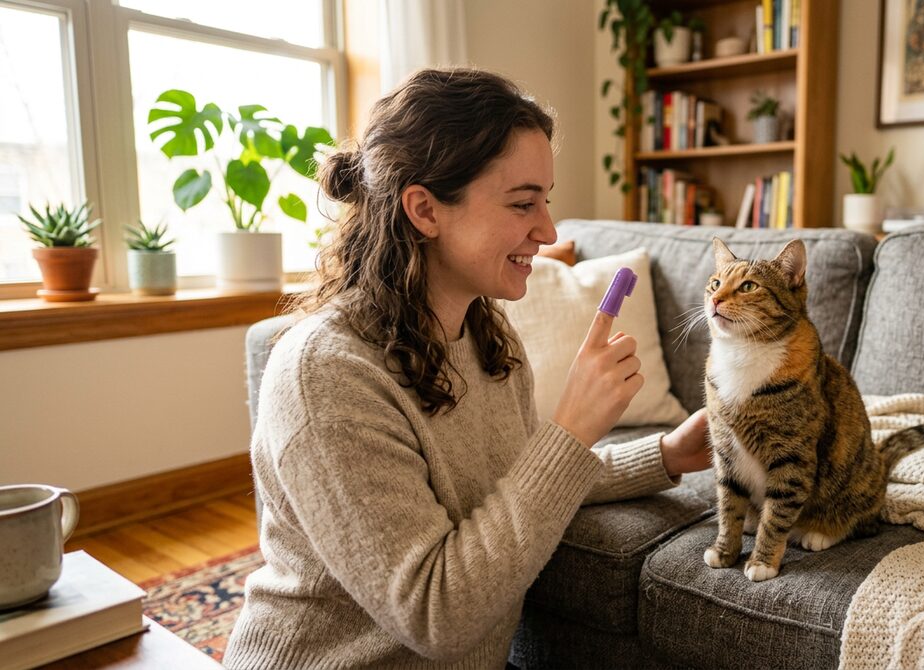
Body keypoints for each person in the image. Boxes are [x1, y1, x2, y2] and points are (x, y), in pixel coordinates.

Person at [223, 67, 711, 669]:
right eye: (522, 203)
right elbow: (436, 614)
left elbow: (524, 476)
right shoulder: (325, 376)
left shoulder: (485, 334)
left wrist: (669, 455)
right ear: (425, 210)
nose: (549, 230)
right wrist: (572, 429)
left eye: (546, 201)